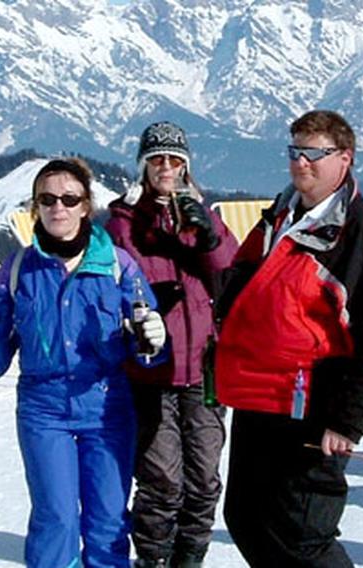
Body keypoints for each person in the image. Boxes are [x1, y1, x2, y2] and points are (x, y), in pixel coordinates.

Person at [0, 158, 169, 568]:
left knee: (107, 522)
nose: (57, 207)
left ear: (86, 206)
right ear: (35, 207)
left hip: (107, 410)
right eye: (47, 199)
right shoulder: (17, 271)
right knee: (56, 519)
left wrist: (153, 340)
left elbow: (145, 343)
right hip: (44, 412)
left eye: (69, 198)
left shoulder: (118, 267)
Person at [214, 110, 363, 566]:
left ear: (345, 158)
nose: (302, 163)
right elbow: (245, 280)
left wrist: (349, 420)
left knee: (302, 532)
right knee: (246, 517)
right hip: (258, 394)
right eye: (295, 152)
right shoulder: (282, 214)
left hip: (312, 403)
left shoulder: (362, 233)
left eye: (314, 153)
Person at [106, 122, 239, 568]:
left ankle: (190, 560)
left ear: (186, 166)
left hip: (203, 365)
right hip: (152, 368)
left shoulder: (201, 212)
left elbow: (230, 273)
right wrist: (141, 308)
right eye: (157, 160)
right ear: (143, 166)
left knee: (204, 479)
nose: (166, 168)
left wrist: (208, 235)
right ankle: (153, 560)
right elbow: (113, 284)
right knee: (162, 479)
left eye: (175, 160)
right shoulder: (124, 222)